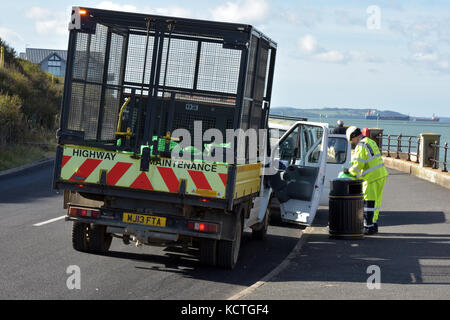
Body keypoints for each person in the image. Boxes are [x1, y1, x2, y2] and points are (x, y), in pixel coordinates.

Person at [344, 126, 389, 235]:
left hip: (371, 178)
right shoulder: (370, 141)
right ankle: (374, 225)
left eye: (352, 140)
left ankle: (368, 227)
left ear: (354, 136)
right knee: (376, 202)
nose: (353, 143)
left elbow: (358, 165)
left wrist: (349, 172)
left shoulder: (361, 145)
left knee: (368, 202)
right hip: (381, 175)